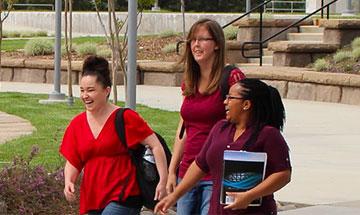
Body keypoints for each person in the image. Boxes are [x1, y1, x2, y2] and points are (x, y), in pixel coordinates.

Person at [156, 78, 292, 215]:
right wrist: (175, 196)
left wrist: (250, 195)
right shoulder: (220, 129)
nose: (225, 102)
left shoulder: (268, 135)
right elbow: (200, 165)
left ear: (246, 104)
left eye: (230, 98)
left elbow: (283, 174)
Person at [59, 55, 168, 215]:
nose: (85, 95)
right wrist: (69, 181)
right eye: (82, 90)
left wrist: (163, 181)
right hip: (93, 199)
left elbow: (156, 145)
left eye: (91, 90)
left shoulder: (125, 118)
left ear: (107, 90)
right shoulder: (77, 124)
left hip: (125, 196)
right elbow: (74, 161)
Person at [167, 18, 245, 215]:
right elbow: (184, 129)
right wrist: (171, 171)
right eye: (192, 40)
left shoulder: (232, 77)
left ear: (217, 44)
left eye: (202, 39)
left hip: (217, 172)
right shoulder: (189, 82)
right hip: (187, 172)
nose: (196, 45)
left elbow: (245, 123)